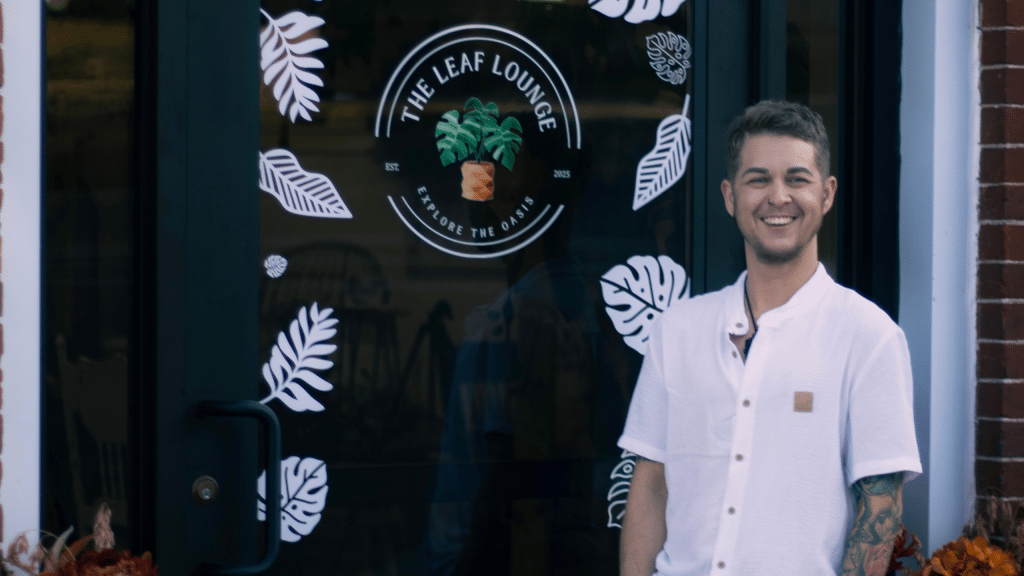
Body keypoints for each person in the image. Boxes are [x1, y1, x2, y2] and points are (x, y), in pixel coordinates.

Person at [617, 100, 921, 576]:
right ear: (729, 196)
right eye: (758, 180)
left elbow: (879, 509)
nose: (778, 197)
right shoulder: (677, 330)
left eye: (797, 179)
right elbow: (652, 484)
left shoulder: (869, 336)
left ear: (827, 194)